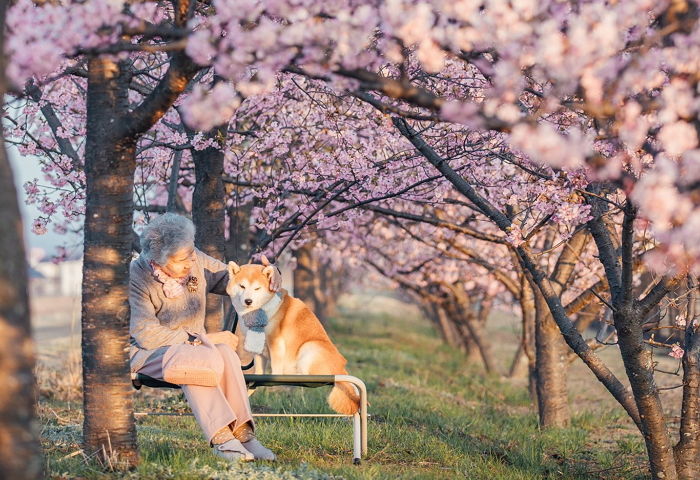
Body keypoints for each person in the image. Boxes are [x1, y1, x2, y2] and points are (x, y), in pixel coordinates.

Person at [129, 213, 278, 462]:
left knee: (225, 353)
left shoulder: (193, 258)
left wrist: (267, 274)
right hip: (148, 353)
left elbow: (230, 279)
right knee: (196, 360)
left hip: (197, 347)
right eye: (180, 260)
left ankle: (244, 435)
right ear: (160, 260)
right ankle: (222, 438)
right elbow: (146, 334)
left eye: (190, 253)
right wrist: (203, 339)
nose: (190, 261)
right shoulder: (137, 276)